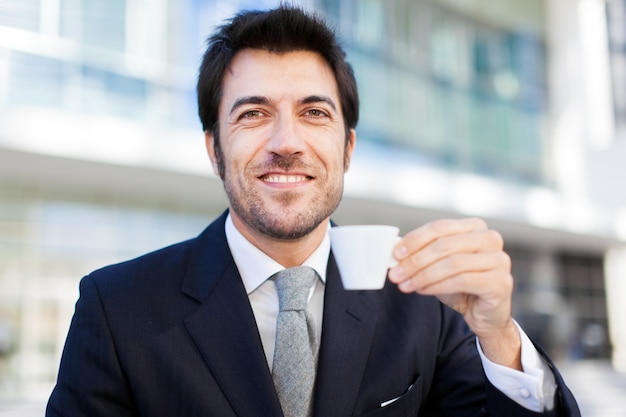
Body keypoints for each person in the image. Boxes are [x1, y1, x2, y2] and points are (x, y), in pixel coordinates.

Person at [46, 5, 580, 417]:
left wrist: (500, 337)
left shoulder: (428, 307)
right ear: (214, 150)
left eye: (314, 112)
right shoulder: (115, 308)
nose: (287, 142)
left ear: (347, 149)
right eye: (254, 113)